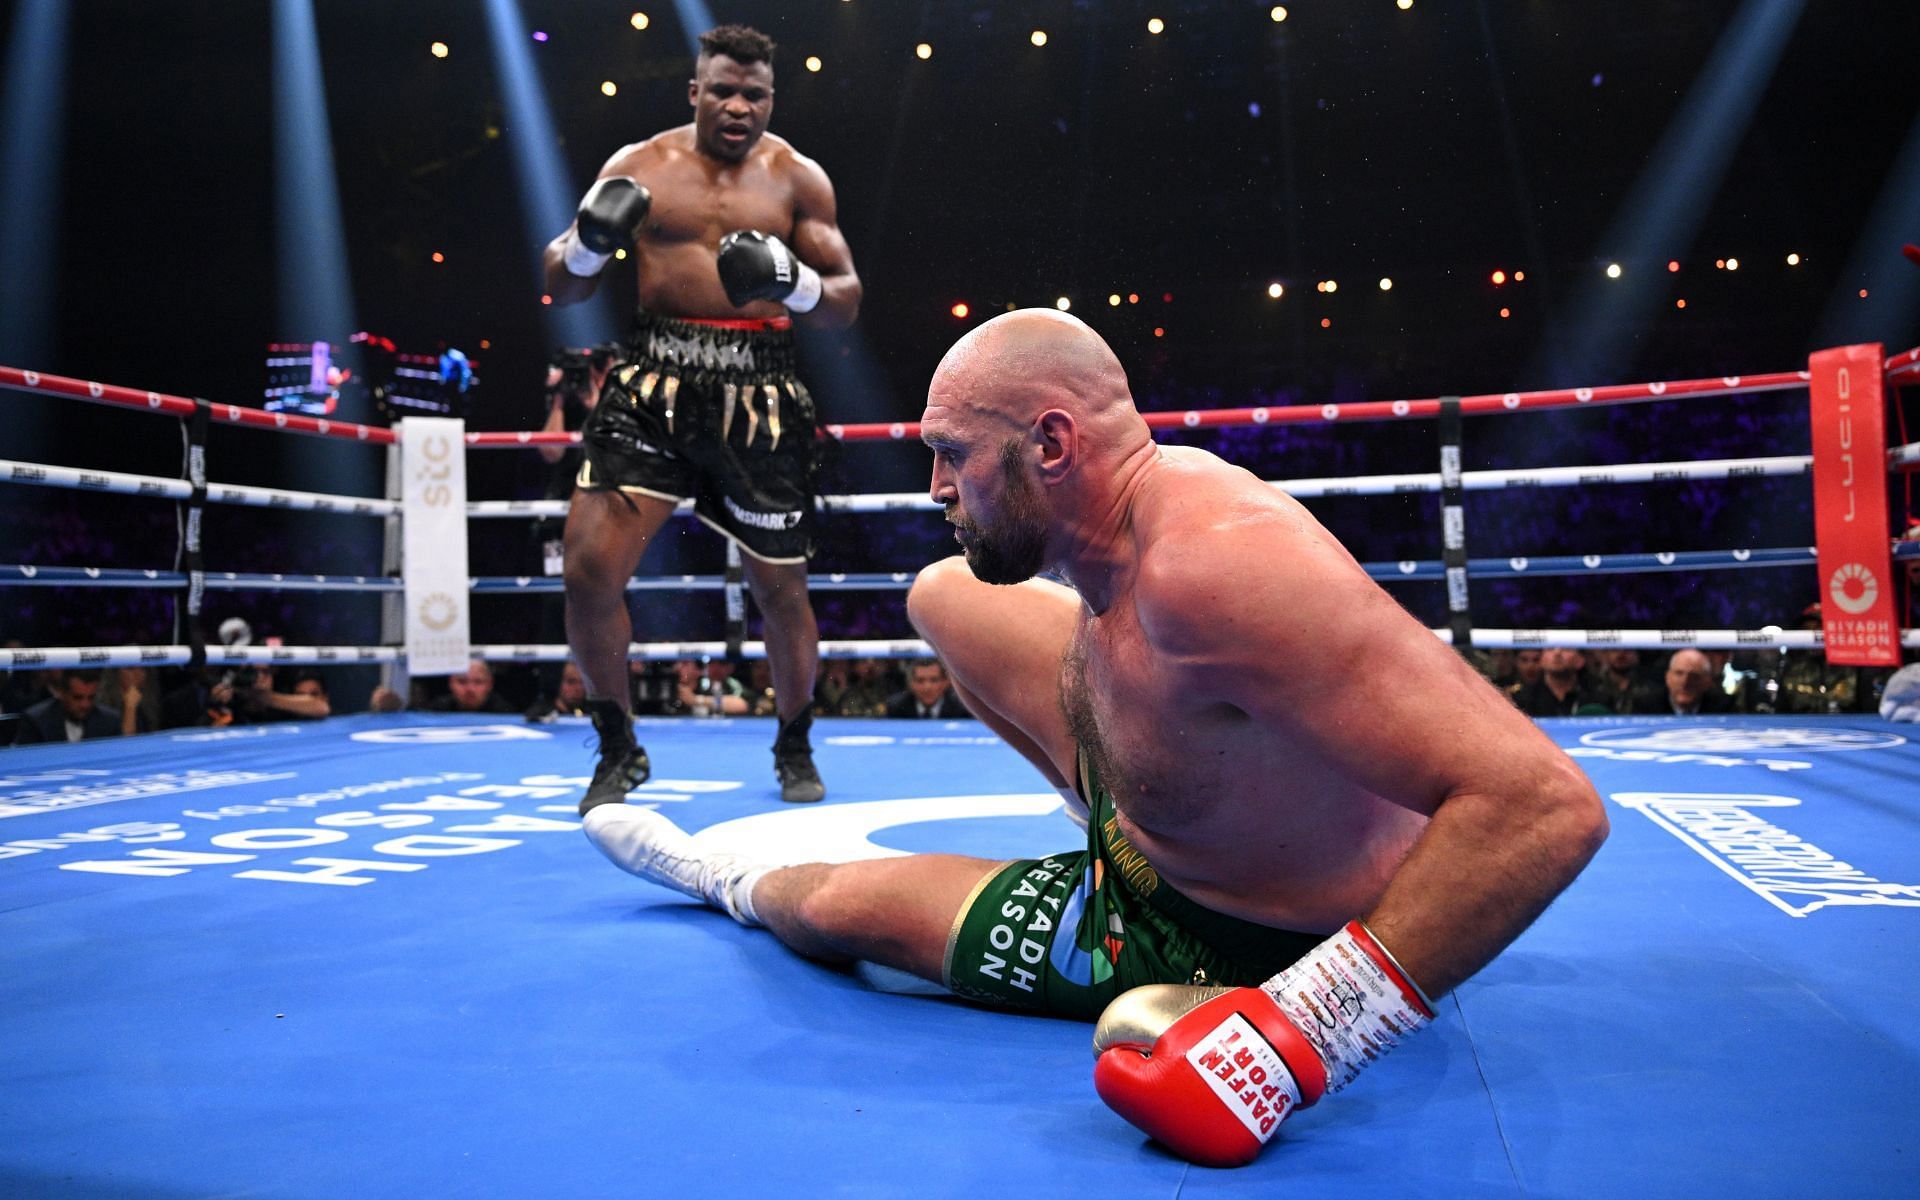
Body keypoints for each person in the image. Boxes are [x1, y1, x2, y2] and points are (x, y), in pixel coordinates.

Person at [579, 310, 1608, 1166]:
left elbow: (1545, 808)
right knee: (942, 598)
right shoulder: (1130, 522)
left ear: (1053, 445)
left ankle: (708, 875)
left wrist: (1302, 1033)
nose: (936, 488)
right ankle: (1106, 801)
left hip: (1235, 930)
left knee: (843, 904)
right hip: (1166, 802)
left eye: (952, 456)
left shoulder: (1217, 570)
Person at [545, 24, 862, 810]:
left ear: (771, 100)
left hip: (759, 390)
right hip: (653, 381)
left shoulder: (798, 180)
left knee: (780, 590)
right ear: (694, 90)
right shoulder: (639, 166)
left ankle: (793, 740)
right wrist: (589, 247)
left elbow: (846, 302)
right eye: (722, 89)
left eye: (753, 94)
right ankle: (617, 746)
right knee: (587, 568)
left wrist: (792, 282)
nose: (737, 106)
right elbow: (561, 282)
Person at [13, 669, 122, 744]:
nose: (85, 704)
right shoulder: (36, 721)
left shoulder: (110, 721)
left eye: (91, 697)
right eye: (77, 698)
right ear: (61, 693)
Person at [1633, 648, 1733, 715]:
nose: (1685, 682)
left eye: (1694, 676)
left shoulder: (1723, 708)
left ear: (1707, 681)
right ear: (1667, 677)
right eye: (1679, 674)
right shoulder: (1646, 707)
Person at [884, 658, 971, 719]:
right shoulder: (897, 707)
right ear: (910, 683)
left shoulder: (962, 708)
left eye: (934, 680)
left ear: (946, 682)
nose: (927, 687)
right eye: (920, 680)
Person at [428, 658, 516, 714]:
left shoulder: (504, 712)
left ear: (490, 684)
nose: (470, 689)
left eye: (478, 682)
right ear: (451, 683)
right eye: (462, 681)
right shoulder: (437, 711)